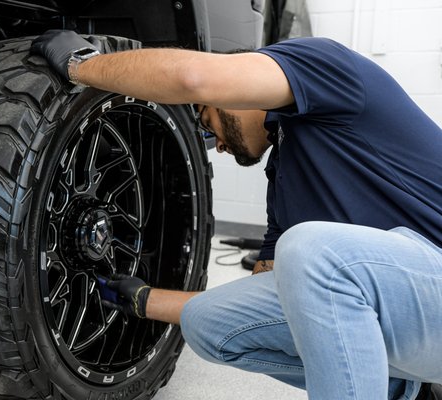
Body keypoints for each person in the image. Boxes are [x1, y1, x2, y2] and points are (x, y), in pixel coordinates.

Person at [31, 31, 442, 400]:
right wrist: (143, 300)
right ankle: (402, 390)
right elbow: (266, 306)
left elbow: (193, 78)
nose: (216, 145)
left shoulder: (326, 64)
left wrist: (81, 65)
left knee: (313, 250)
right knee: (208, 325)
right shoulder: (283, 183)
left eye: (206, 121)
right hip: (414, 328)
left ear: (229, 91)